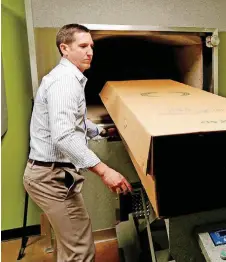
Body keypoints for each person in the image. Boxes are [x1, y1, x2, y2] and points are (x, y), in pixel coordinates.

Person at [23, 23, 132, 262]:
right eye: (82, 46)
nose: (89, 51)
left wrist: (101, 131)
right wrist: (105, 171)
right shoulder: (64, 82)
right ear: (64, 48)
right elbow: (63, 135)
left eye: (91, 46)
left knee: (70, 245)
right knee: (81, 249)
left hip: (51, 175)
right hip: (50, 177)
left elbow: (75, 121)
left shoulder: (68, 78)